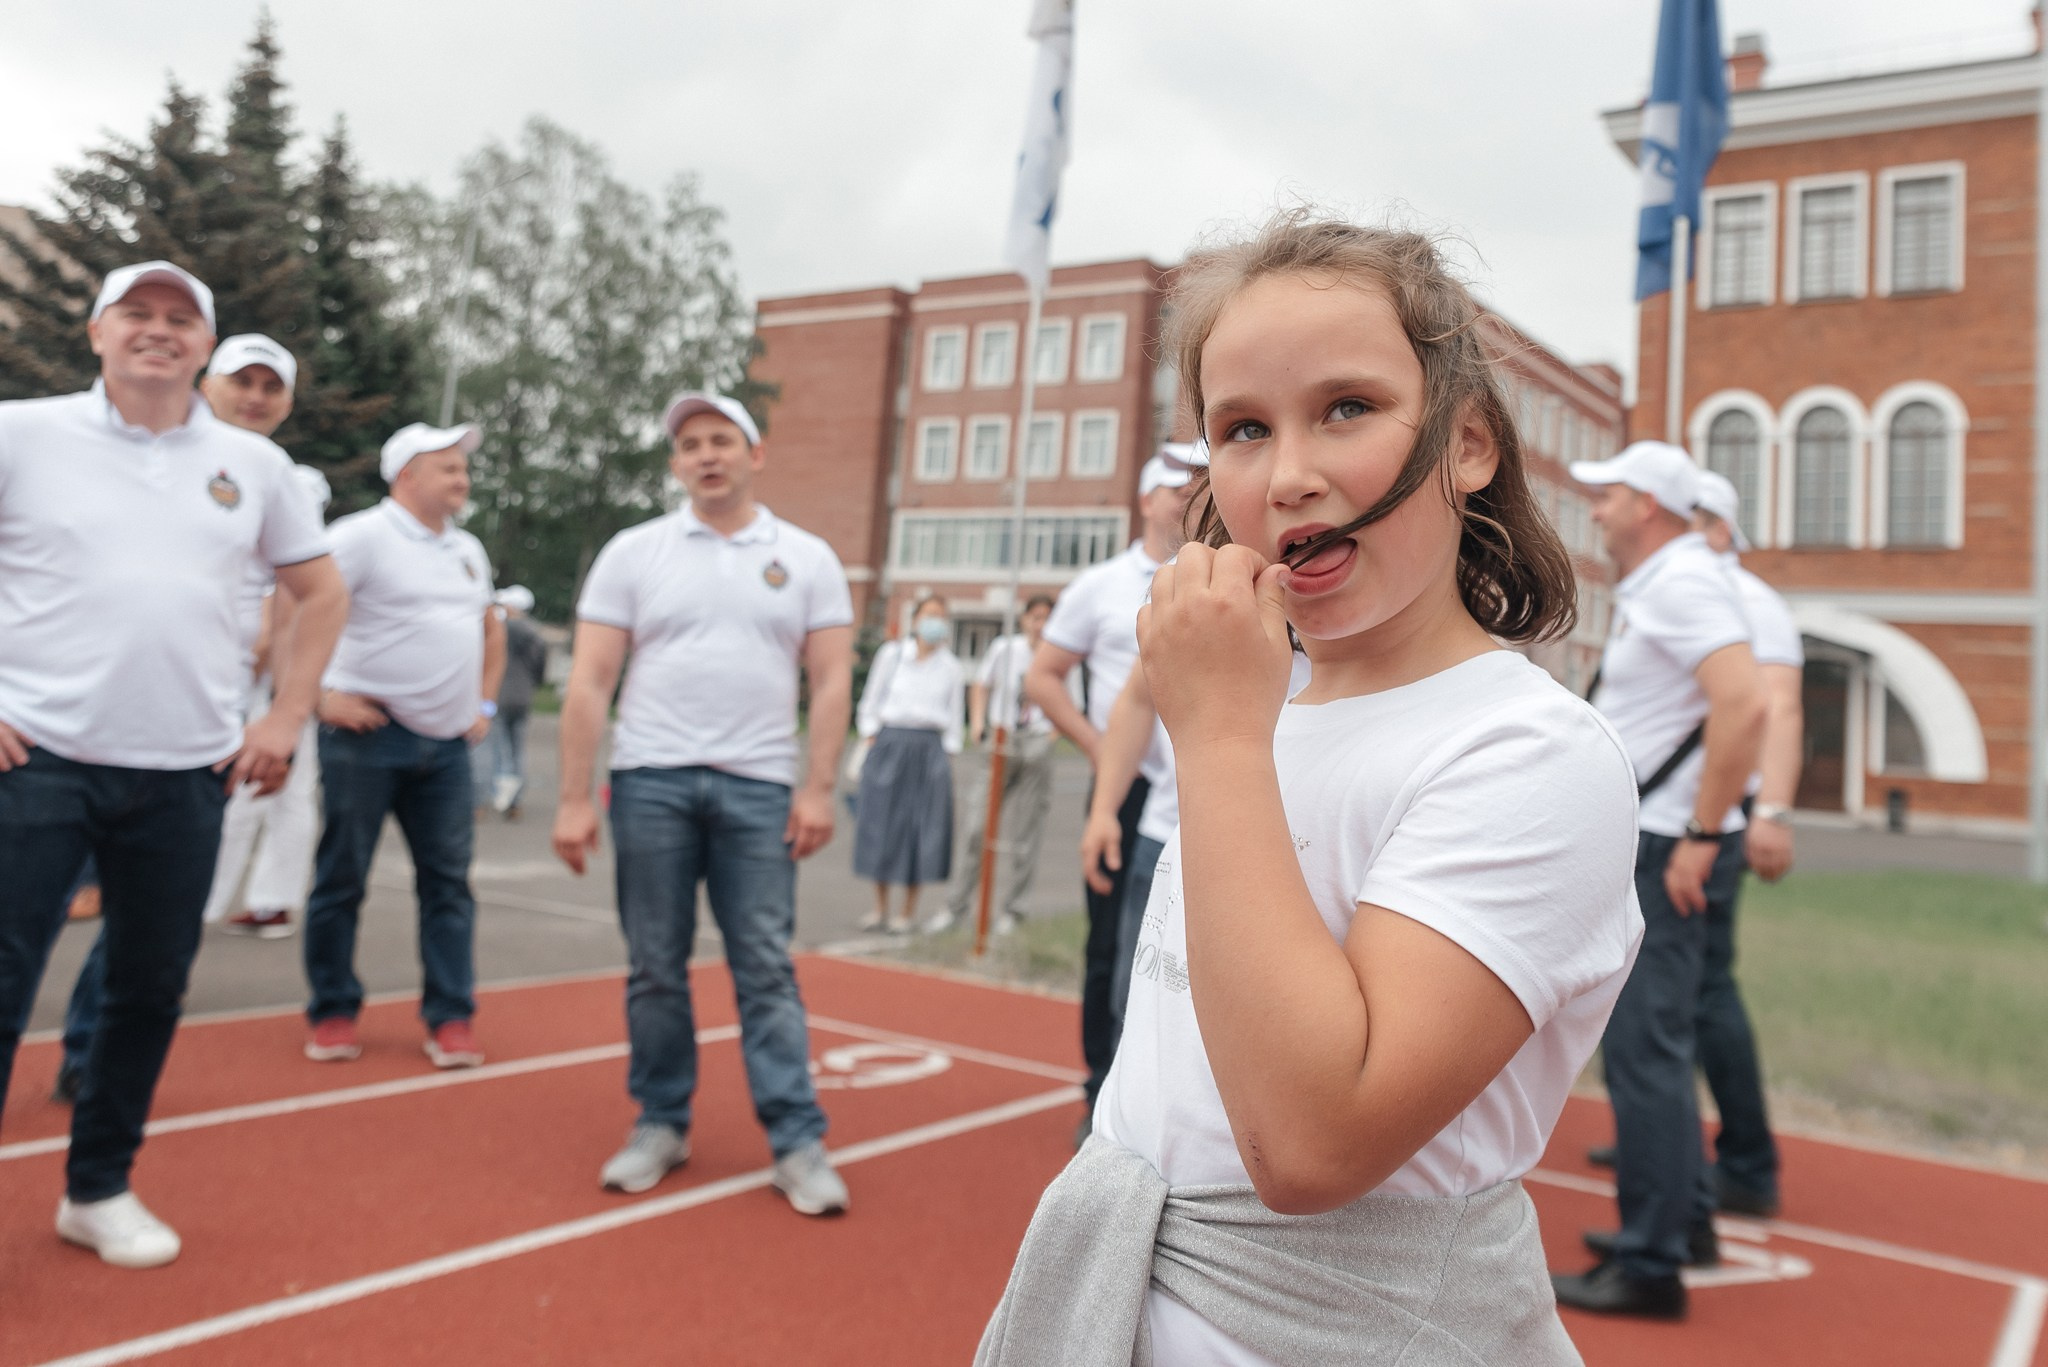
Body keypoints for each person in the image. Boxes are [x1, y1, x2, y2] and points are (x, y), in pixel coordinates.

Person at [976, 214, 1639, 1366]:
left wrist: (1219, 739)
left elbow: (1308, 1142)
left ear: (1466, 442)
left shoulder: (1529, 751)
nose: (1289, 475)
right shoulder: (1255, 702)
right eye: (1241, 428)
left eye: (1345, 408)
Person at [0, 261, 347, 1268]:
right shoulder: (22, 432)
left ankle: (97, 1187)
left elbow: (320, 595)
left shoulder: (255, 466)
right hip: (38, 762)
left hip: (185, 774)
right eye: (137, 315)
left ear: (204, 344)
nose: (158, 332)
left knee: (148, 990)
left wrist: (284, 715)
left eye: (180, 320)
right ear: (97, 330)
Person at [552, 391, 854, 1217]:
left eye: (722, 439)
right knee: (655, 964)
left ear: (755, 455)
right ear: (676, 463)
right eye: (690, 444)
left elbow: (830, 680)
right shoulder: (633, 551)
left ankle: (796, 1139)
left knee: (764, 965)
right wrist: (575, 796)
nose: (706, 453)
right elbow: (589, 680)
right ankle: (661, 1121)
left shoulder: (807, 556)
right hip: (650, 781)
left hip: (759, 788)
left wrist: (818, 786)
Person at [51, 338, 329, 1102]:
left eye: (273, 386)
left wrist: (287, 708)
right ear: (209, 381)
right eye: (243, 380)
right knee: (31, 910)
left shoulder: (284, 479)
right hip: (88, 714)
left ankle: (89, 1054)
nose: (257, 395)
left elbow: (313, 593)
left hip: (213, 716)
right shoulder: (134, 453)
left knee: (150, 911)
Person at [1551, 441, 1766, 1320]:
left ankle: (1650, 1262)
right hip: (1662, 836)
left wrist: (1702, 834)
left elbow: (1744, 701)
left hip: (1664, 843)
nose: (1595, 510)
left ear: (1647, 503)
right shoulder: (1671, 585)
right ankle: (1689, 1223)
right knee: (1656, 1047)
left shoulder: (1681, 584)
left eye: (1608, 496)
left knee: (1646, 1053)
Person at [302, 422, 506, 1070]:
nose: (462, 477)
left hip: (446, 749)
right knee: (342, 878)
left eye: (463, 466)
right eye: (447, 466)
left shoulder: (469, 547)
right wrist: (315, 696)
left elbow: (489, 627)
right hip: (366, 739)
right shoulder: (360, 536)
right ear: (406, 476)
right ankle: (332, 1009)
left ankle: (451, 1017)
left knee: (448, 886)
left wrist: (485, 703)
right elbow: (297, 608)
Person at [1023, 447, 1199, 1137]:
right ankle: (1104, 1089)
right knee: (1116, 951)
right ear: (1147, 498)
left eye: (1199, 484)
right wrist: (1104, 757)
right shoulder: (1101, 584)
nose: (1188, 495)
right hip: (1131, 785)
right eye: (1176, 486)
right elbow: (1045, 677)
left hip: (1198, 782)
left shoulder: (1216, 573)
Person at [932, 592, 1059, 935]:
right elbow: (981, 685)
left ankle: (1013, 911)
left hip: (1036, 740)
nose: (1041, 625)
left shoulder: (1059, 654)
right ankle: (955, 907)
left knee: (1025, 833)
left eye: (1048, 618)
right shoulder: (1005, 649)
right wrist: (978, 723)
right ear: (1024, 620)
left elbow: (1069, 700)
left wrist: (1052, 734)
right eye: (1035, 617)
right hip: (1002, 738)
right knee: (977, 827)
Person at [852, 595, 964, 933]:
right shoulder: (892, 655)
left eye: (941, 615)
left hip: (929, 748)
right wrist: (872, 734)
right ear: (915, 619)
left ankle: (907, 912)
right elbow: (871, 700)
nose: (935, 622)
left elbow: (955, 718)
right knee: (881, 823)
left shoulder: (951, 667)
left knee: (922, 827)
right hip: (890, 741)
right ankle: (879, 907)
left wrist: (946, 755)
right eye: (930, 614)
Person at [478, 584, 548, 820]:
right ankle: (515, 801)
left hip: (497, 697)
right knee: (518, 750)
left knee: (495, 748)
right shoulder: (535, 633)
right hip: (523, 698)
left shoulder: (497, 629)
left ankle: (486, 799)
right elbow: (540, 669)